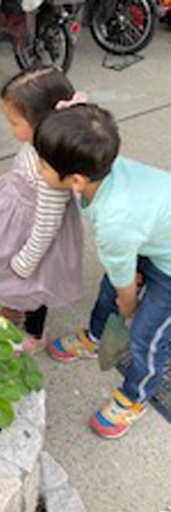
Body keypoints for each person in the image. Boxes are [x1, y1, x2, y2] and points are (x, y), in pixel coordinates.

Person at [35, 103, 171, 439]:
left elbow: (126, 294)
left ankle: (135, 395)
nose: (37, 168)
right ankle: (97, 338)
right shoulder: (103, 166)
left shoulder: (114, 220)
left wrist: (129, 305)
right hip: (152, 234)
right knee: (111, 286)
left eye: (43, 164)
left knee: (146, 335)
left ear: (77, 180)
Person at [0, 67, 84, 354]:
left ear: (41, 123)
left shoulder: (52, 168)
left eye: (13, 121)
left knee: (35, 282)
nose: (9, 127)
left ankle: (35, 333)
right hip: (15, 219)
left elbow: (47, 227)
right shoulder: (37, 144)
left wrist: (26, 260)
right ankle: (13, 307)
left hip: (35, 233)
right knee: (10, 272)